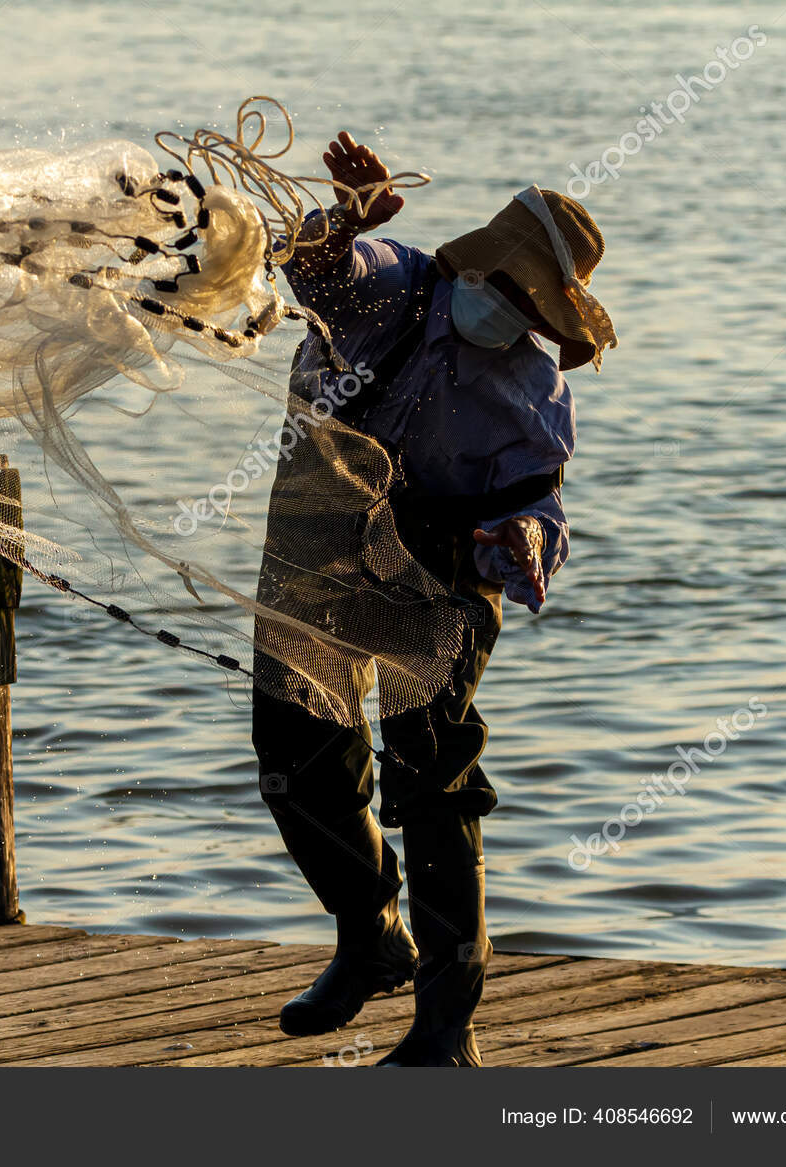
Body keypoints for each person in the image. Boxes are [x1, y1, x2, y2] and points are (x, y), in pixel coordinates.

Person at [253, 131, 617, 1067]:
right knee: (295, 755)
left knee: (434, 778)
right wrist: (343, 220)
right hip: (316, 544)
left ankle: (447, 1023)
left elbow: (543, 504)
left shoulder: (529, 383)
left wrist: (523, 540)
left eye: (526, 305)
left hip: (444, 581)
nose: (504, 310)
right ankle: (368, 930)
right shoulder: (395, 284)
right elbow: (312, 270)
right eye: (500, 287)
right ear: (473, 266)